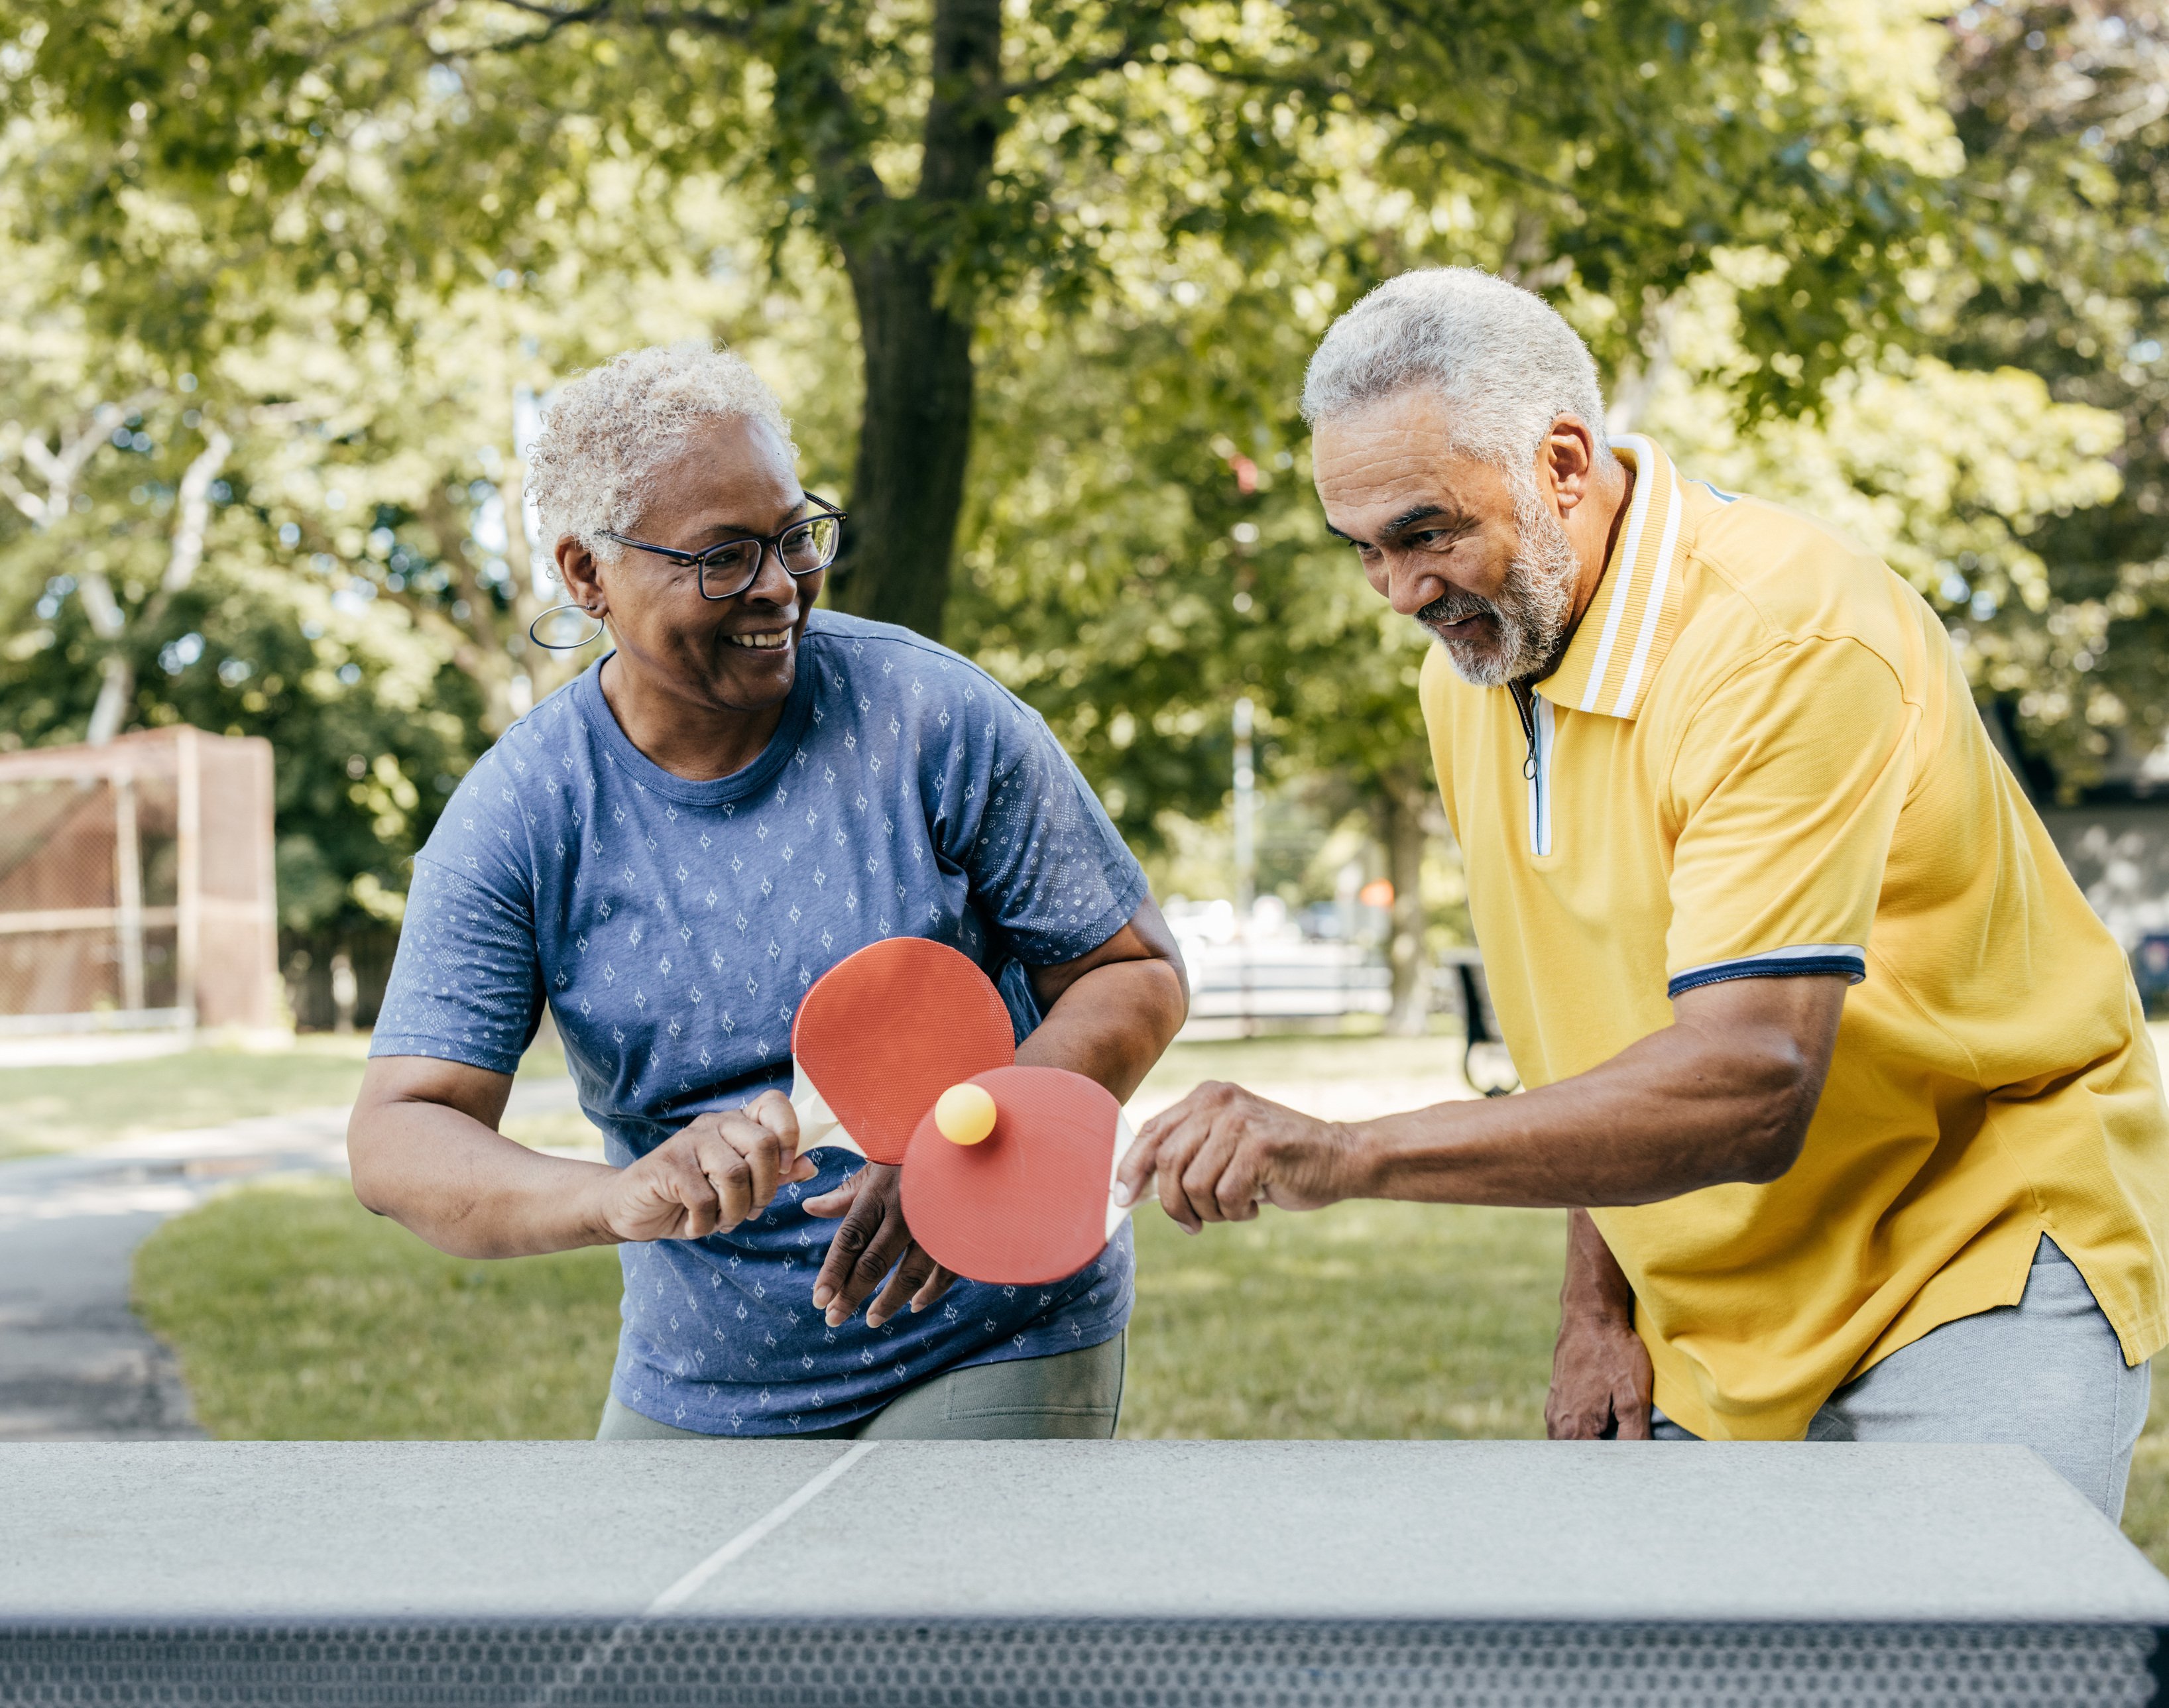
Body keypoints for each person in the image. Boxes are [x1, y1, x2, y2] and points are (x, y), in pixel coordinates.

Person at [1120, 268, 2169, 1516]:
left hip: (1970, 1240)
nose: (1400, 594)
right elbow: (1598, 1025)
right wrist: (1594, 1304)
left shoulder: (1786, 642)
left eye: (1425, 533)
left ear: (1566, 462)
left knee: (1963, 1667)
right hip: (1713, 1291)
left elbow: (1748, 1083)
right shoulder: (1470, 677)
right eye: (1364, 551)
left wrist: (1346, 1151)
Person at [350, 343, 1187, 1440]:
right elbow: (399, 1135)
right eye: (724, 557)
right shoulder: (520, 813)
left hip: (999, 1327)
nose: (781, 586)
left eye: (795, 536)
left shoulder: (933, 716)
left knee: (920, 1620)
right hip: (704, 1376)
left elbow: (1133, 975)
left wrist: (948, 1160)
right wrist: (617, 1198)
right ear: (587, 574)